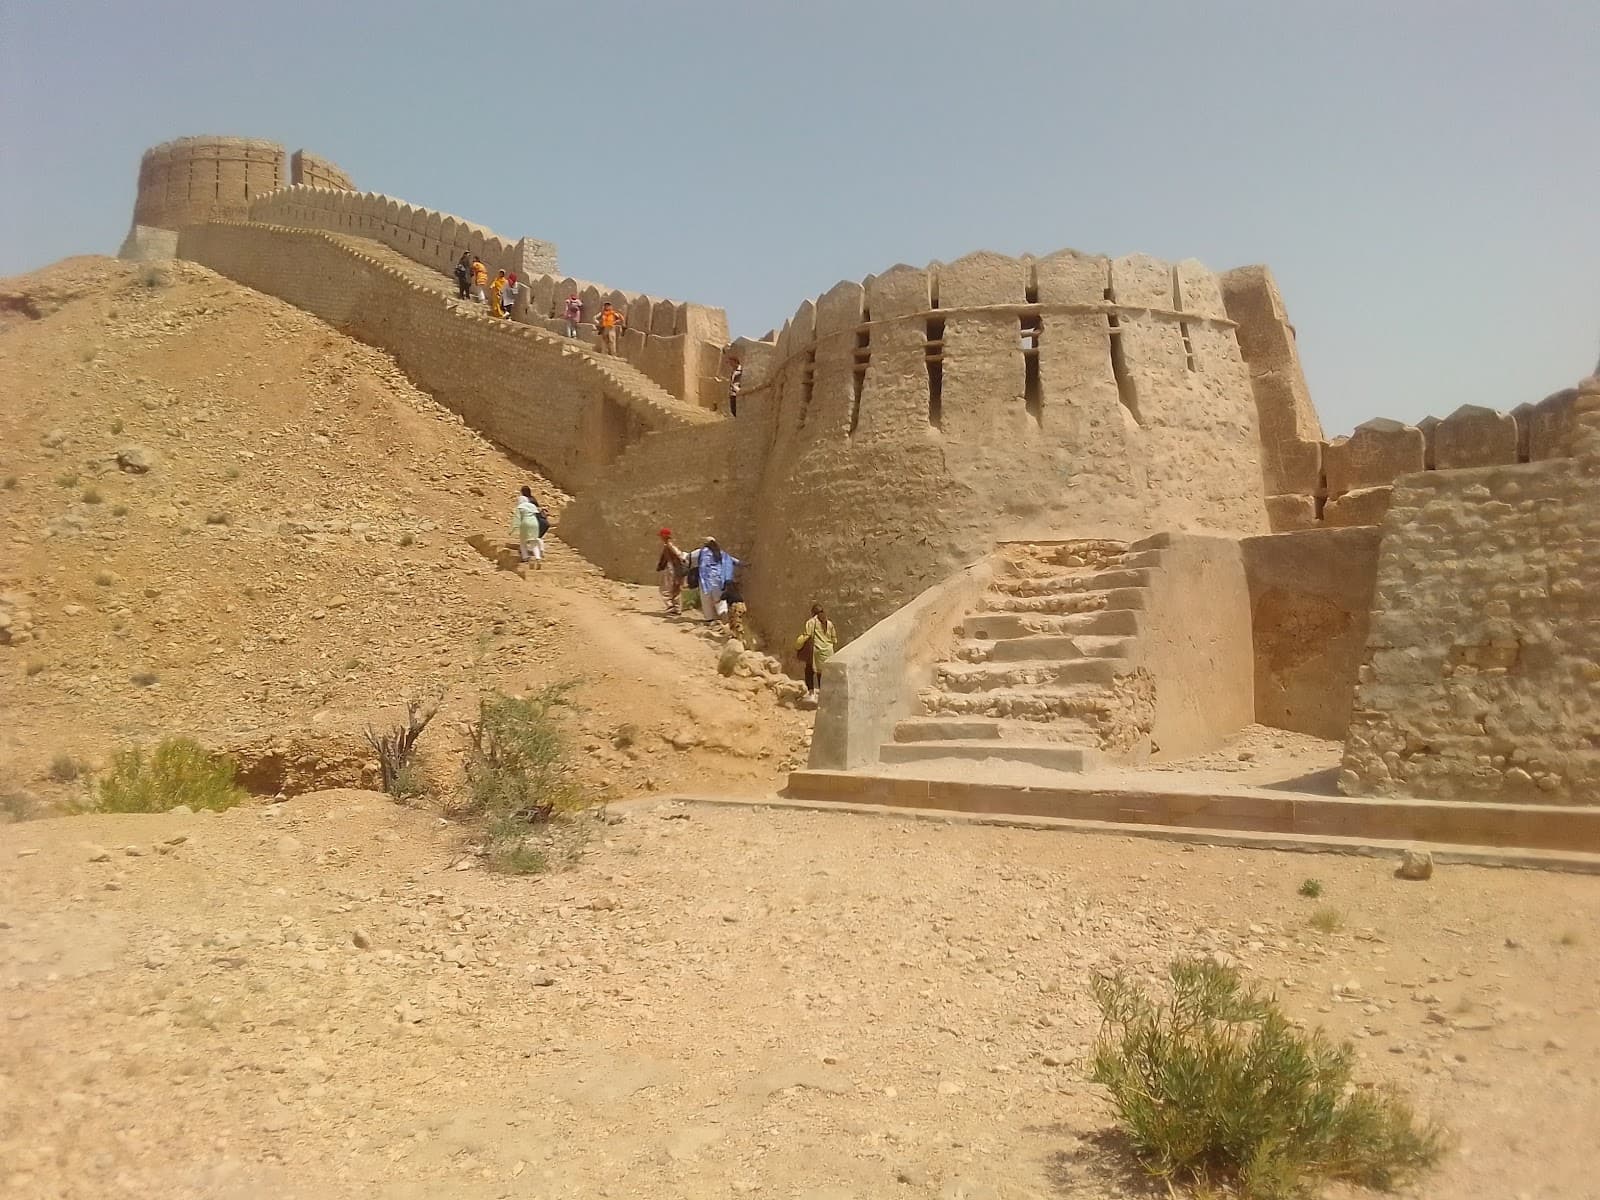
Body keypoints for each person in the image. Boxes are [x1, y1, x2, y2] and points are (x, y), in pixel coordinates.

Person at [695, 537, 741, 623]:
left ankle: (710, 619)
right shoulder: (720, 552)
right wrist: (744, 564)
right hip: (718, 580)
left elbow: (687, 557)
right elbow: (732, 560)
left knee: (706, 600)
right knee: (720, 600)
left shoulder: (701, 551)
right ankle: (724, 615)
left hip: (705, 580)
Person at [796, 603, 838, 695]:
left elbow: (807, 635)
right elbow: (834, 639)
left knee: (809, 670)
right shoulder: (829, 623)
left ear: (813, 612)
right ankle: (825, 695)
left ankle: (811, 692)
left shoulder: (811, 622)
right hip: (829, 652)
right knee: (823, 674)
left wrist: (798, 644)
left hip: (817, 652)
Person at [509, 486, 546, 568]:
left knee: (523, 541)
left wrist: (512, 529)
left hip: (525, 523)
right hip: (534, 523)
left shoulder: (519, 507)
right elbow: (538, 514)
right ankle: (538, 557)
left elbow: (517, 519)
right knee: (534, 542)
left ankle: (525, 557)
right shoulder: (532, 506)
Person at [655, 528, 686, 613]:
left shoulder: (669, 545)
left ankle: (670, 605)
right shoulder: (669, 545)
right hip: (675, 569)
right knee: (676, 589)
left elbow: (679, 555)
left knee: (666, 588)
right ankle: (676, 608)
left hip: (672, 569)